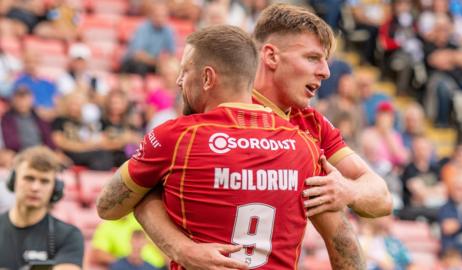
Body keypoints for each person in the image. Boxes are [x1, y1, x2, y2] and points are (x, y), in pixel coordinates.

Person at [111, 4, 392, 269]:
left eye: (325, 60)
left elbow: (380, 197)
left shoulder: (311, 124)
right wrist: (181, 249)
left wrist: (347, 190)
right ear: (270, 56)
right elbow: (142, 189)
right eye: (312, 58)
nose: (326, 72)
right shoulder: (208, 110)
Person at [0, 146, 84, 269]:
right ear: (13, 180)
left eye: (44, 181)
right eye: (29, 178)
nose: (35, 188)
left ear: (55, 189)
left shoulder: (68, 235)